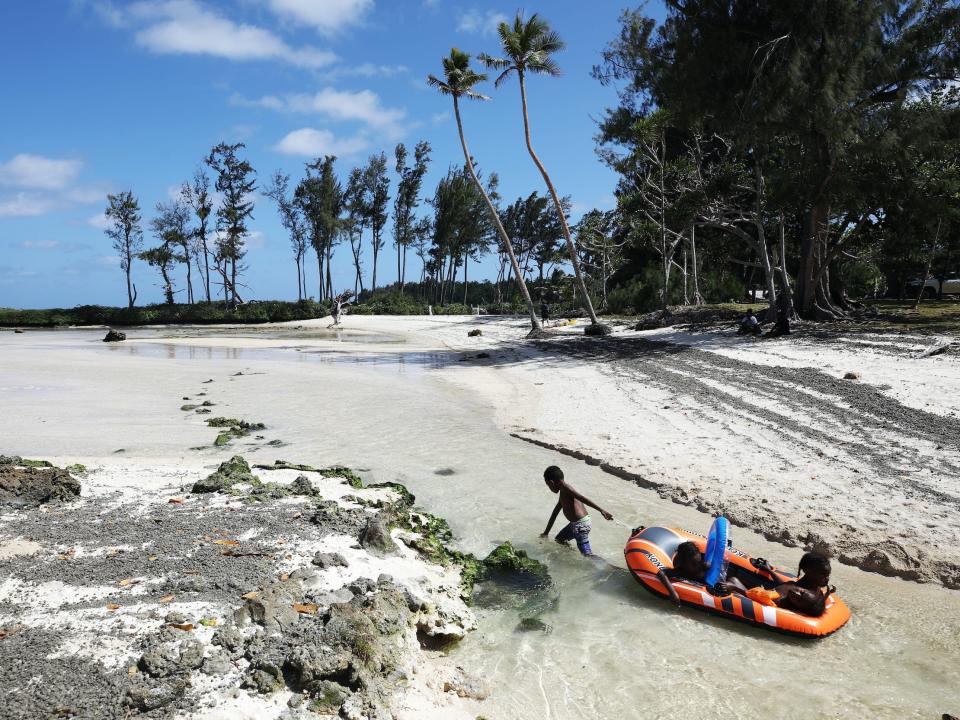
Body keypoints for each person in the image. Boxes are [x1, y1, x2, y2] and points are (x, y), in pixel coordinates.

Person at [540, 465, 613, 556]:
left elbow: (581, 497)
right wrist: (546, 533)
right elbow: (555, 512)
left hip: (580, 526)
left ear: (551, 483)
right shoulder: (563, 491)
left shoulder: (566, 488)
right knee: (559, 539)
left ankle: (615, 570)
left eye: (548, 485)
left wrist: (601, 510)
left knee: (588, 556)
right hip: (576, 524)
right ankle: (573, 554)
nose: (549, 488)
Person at [657, 541, 748, 606]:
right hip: (716, 593)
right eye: (694, 564)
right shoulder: (681, 571)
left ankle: (751, 595)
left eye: (699, 561)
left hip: (725, 587)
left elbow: (721, 575)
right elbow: (661, 573)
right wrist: (673, 593)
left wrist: (732, 586)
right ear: (683, 563)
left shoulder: (704, 566)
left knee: (733, 580)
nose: (697, 566)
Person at [748, 552, 835, 616]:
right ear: (807, 571)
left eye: (827, 575)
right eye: (823, 575)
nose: (827, 579)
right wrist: (769, 571)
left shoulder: (797, 592)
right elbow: (784, 585)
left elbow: (784, 588)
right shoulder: (811, 590)